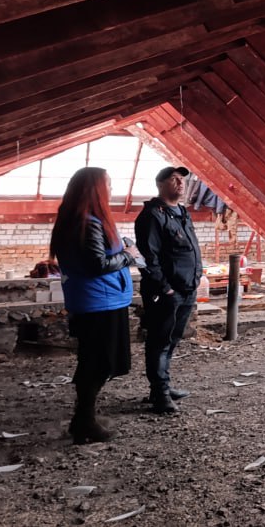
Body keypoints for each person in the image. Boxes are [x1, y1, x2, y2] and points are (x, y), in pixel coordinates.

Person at [49, 167, 141, 444]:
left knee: (94, 359)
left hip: (97, 299)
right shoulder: (88, 223)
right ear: (95, 190)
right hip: (99, 301)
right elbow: (97, 264)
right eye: (108, 185)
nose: (111, 190)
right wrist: (127, 255)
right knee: (97, 362)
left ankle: (84, 417)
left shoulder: (79, 220)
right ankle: (84, 421)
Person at [135, 166, 203, 414]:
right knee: (159, 340)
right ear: (160, 184)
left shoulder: (182, 212)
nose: (181, 183)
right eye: (174, 179)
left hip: (187, 287)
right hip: (167, 292)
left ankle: (161, 386)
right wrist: (165, 288)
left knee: (172, 339)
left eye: (182, 179)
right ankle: (160, 393)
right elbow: (148, 258)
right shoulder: (153, 215)